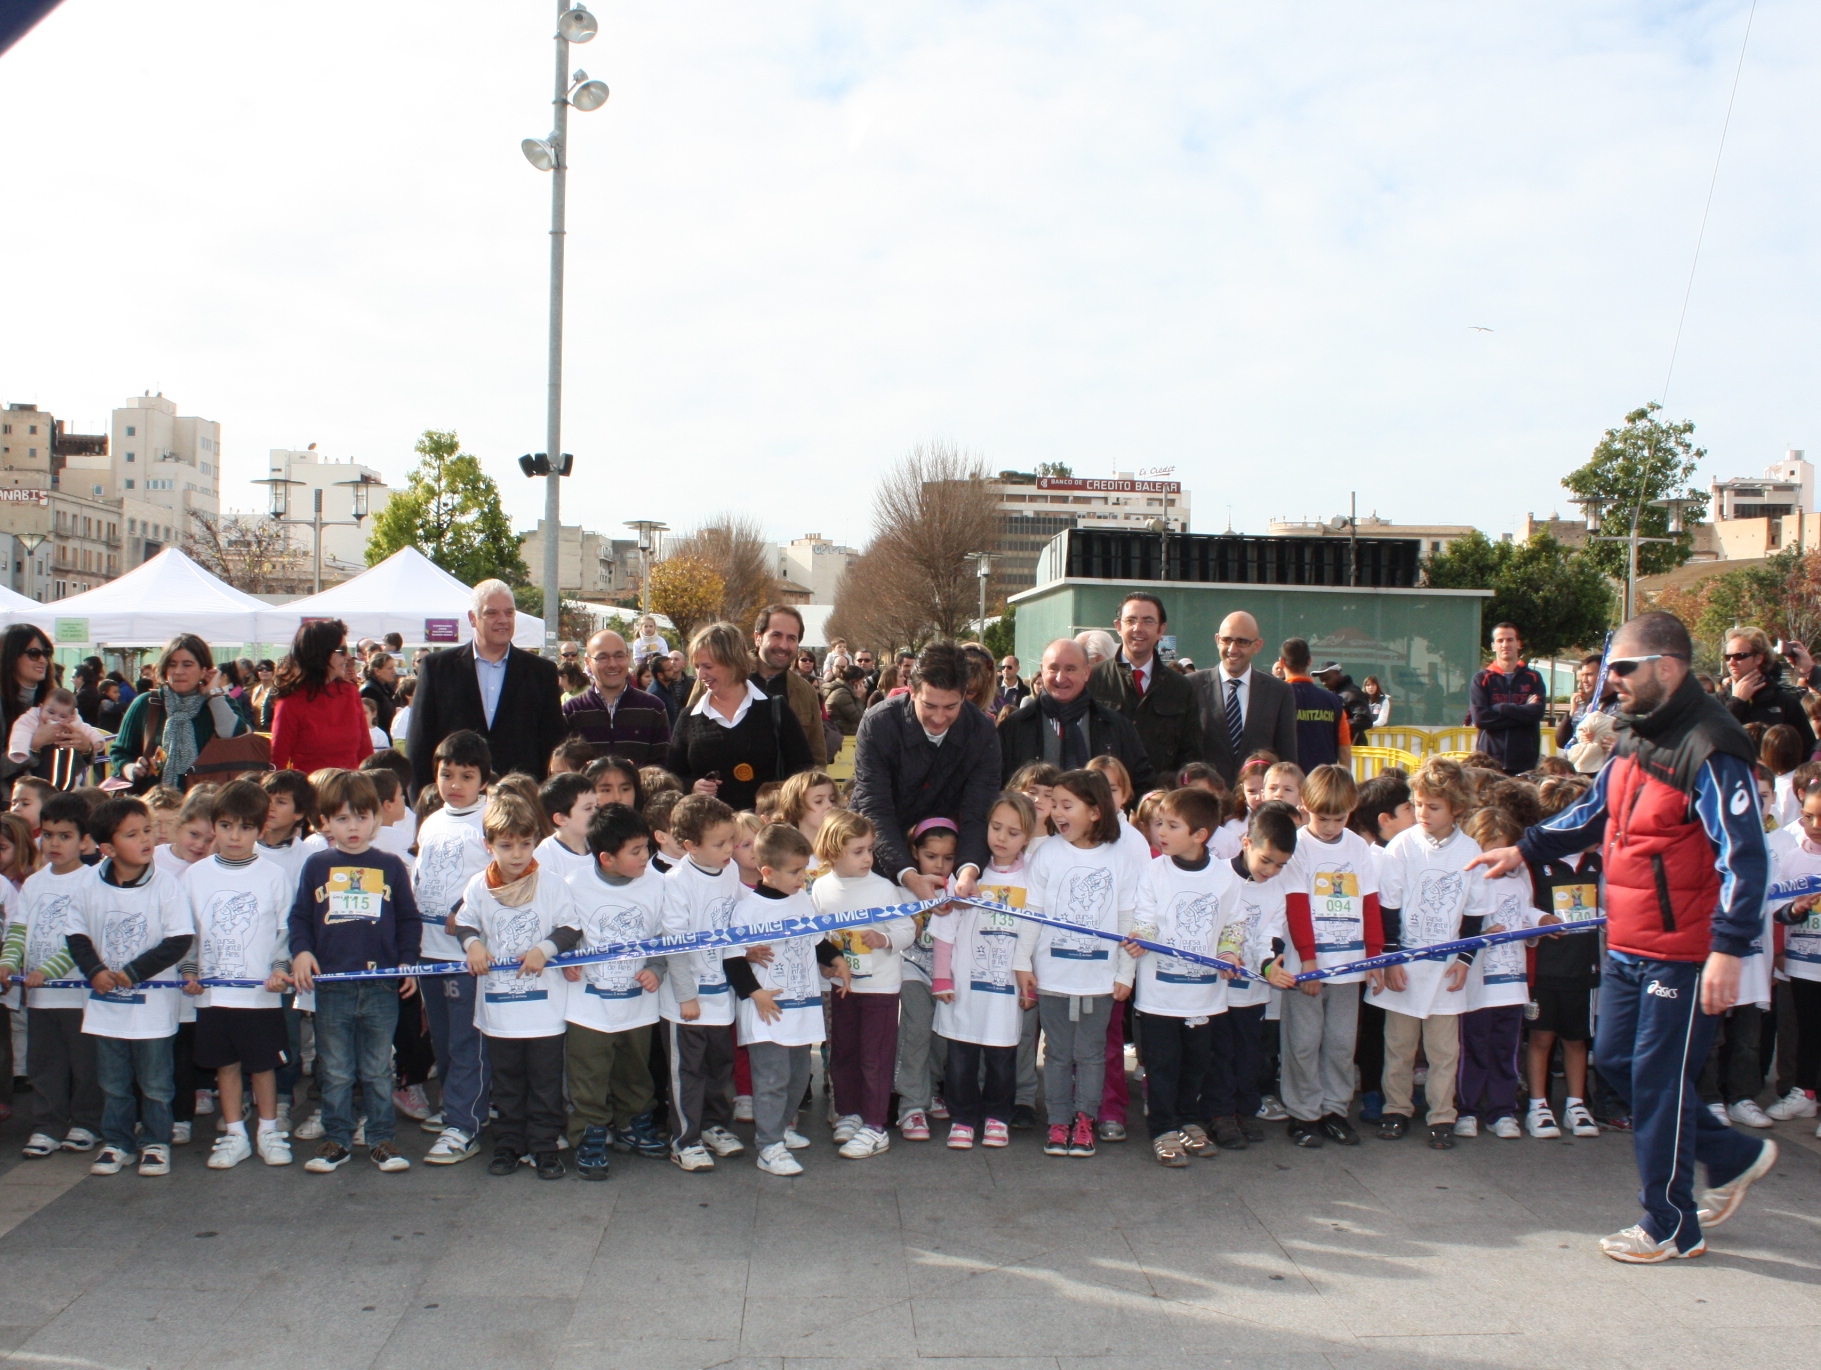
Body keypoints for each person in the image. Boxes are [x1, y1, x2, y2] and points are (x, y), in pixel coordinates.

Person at [1472, 611, 1776, 1263]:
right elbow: (1592, 810)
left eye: (1622, 669)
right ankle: (1731, 1155)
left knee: (1659, 1082)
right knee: (1615, 1062)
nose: (1610, 683)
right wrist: (1522, 851)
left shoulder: (1711, 747)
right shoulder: (1635, 735)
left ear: (1666, 667)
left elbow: (1744, 856)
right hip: (1629, 944)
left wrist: (1727, 947)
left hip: (1685, 951)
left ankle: (1669, 1223)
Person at [288, 770, 420, 1174]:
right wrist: (302, 952)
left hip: (381, 987)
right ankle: (337, 1138)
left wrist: (407, 962)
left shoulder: (392, 866)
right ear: (325, 821)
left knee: (379, 1068)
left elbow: (408, 920)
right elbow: (300, 918)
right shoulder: (316, 866)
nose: (353, 828)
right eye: (342, 819)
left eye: (361, 817)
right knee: (337, 1069)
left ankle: (382, 1139)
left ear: (376, 820)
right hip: (332, 990)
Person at [452, 791, 584, 1182]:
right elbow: (464, 922)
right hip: (499, 1012)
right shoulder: (479, 885)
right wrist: (472, 944)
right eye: (506, 846)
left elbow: (570, 928)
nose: (516, 854)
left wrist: (545, 949)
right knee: (507, 1083)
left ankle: (544, 1147)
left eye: (525, 844)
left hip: (544, 1013)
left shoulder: (552, 883)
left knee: (545, 1084)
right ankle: (508, 1144)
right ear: (487, 845)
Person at [1014, 768, 1144, 1160]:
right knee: (1055, 1052)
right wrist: (1023, 963)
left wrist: (1125, 973)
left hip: (1100, 979)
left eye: (1066, 805)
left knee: (1091, 1053)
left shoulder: (1120, 857)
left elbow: (1127, 921)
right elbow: (1032, 912)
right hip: (1053, 977)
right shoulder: (1047, 853)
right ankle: (1057, 1121)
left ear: (1095, 811)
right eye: (1053, 803)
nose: (1055, 812)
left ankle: (1084, 1120)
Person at [65, 796, 194, 1178]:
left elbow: (179, 938)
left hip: (152, 1009)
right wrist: (94, 970)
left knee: (156, 1082)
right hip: (106, 1006)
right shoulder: (89, 881)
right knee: (113, 1082)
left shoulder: (166, 884)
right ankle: (117, 1141)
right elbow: (76, 932)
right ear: (106, 848)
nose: (146, 840)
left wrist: (134, 972)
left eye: (148, 831)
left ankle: (156, 1141)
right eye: (132, 834)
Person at [1371, 757, 1489, 1150]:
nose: (1422, 813)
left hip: (1445, 969)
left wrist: (1465, 960)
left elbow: (1474, 912)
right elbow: (1389, 903)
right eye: (1418, 804)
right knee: (1399, 1046)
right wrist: (1390, 959)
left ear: (1456, 807)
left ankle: (1442, 1114)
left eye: (1433, 806)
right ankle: (1396, 1108)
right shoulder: (1402, 845)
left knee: (1443, 1050)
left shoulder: (1470, 849)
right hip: (1405, 965)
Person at [180, 780, 295, 1170]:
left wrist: (281, 970)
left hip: (259, 995)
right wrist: (190, 971)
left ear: (260, 829)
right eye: (227, 825)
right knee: (225, 1067)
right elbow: (188, 932)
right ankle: (234, 1134)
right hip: (213, 996)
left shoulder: (274, 875)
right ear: (214, 825)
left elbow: (284, 932)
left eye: (246, 827)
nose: (235, 835)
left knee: (262, 1066)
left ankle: (267, 1131)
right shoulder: (195, 876)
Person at [1127, 786, 1244, 1167]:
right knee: (1163, 1066)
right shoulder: (1153, 871)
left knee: (1196, 1064)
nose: (1161, 831)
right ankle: (1162, 1128)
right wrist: (1140, 938)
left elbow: (1234, 924)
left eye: (1172, 825)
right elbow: (1143, 917)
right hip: (1159, 996)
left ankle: (1188, 1121)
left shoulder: (1226, 877)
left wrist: (1229, 952)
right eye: (1159, 822)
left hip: (1206, 997)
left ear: (1200, 835)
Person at [563, 802, 670, 1180]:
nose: (646, 857)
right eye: (636, 851)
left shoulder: (656, 883)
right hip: (588, 1005)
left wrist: (656, 968)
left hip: (638, 1003)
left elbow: (663, 938)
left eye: (646, 848)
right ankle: (589, 1132)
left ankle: (633, 1122)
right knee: (588, 1071)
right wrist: (566, 957)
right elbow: (563, 929)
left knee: (635, 1068)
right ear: (606, 858)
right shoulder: (575, 885)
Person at [726, 823, 840, 1176]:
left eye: (804, 869)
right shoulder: (748, 909)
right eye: (794, 872)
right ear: (767, 872)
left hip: (802, 1009)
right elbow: (731, 957)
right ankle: (769, 1145)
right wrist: (755, 993)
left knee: (797, 1076)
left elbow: (817, 940)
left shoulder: (802, 899)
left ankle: (780, 1130)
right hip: (768, 1013)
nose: (801, 878)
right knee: (771, 1080)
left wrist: (836, 960)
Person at [850, 641, 1002, 900]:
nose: (940, 718)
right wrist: (907, 874)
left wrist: (968, 872)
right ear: (911, 690)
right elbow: (874, 808)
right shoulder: (878, 724)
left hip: (945, 859)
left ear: (965, 695)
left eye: (951, 707)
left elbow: (978, 812)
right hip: (876, 858)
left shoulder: (982, 732)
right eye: (929, 706)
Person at [1, 793, 102, 1158]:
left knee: (85, 1065)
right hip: (40, 998)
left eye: (65, 836)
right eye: (48, 835)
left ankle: (87, 1122)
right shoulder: (33, 884)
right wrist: (9, 964)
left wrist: (46, 970)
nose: (54, 844)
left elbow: (83, 940)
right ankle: (47, 1125)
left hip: (79, 997)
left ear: (85, 841)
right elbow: (18, 931)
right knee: (44, 1065)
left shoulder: (93, 881)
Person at [412, 729, 495, 1166]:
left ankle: (465, 1126)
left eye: (467, 775)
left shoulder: (490, 818)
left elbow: (506, 873)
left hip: (468, 954)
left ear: (484, 778)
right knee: (442, 1040)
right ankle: (458, 1105)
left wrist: (465, 911)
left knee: (468, 1041)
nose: (455, 784)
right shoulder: (430, 820)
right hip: (429, 951)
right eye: (447, 774)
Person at [812, 809, 914, 1156]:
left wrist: (883, 940)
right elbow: (816, 938)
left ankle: (875, 1126)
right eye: (858, 851)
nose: (868, 857)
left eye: (870, 849)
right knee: (843, 1053)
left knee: (875, 1057)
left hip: (880, 989)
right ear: (833, 851)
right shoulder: (821, 889)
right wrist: (826, 966)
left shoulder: (884, 889)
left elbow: (906, 930)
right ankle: (849, 1113)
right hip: (842, 989)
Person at [406, 579, 566, 798]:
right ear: (473, 618)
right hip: (455, 803)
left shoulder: (541, 672)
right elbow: (420, 741)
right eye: (492, 613)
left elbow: (552, 743)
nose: (503, 620)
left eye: (509, 613)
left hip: (521, 805)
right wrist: (422, 802)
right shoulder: (437, 668)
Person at [657, 794, 746, 1172]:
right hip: (687, 1000)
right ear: (690, 846)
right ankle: (684, 1139)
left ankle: (712, 1125)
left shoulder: (730, 870)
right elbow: (674, 943)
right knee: (687, 1071)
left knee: (718, 1064)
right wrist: (686, 996)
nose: (729, 850)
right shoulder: (676, 882)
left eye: (731, 841)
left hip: (721, 992)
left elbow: (738, 915)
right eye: (719, 843)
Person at [1521, 775, 1605, 1139]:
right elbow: (1519, 905)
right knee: (1541, 1038)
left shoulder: (1597, 862)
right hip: (1545, 969)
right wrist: (1540, 920)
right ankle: (1538, 1105)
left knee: (1577, 1040)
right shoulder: (1535, 862)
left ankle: (1576, 1104)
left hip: (1584, 969)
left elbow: (1611, 904)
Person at [1212, 801, 1299, 1149]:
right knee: (1219, 1055)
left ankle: (1244, 1110)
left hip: (1253, 993)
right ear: (1246, 842)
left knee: (1249, 1054)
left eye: (1281, 864)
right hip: (1215, 991)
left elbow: (1271, 936)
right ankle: (1219, 1115)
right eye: (1266, 860)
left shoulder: (1278, 890)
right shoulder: (1216, 874)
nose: (1272, 870)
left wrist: (1269, 966)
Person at [666, 621, 815, 814]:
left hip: (766, 832)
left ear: (733, 663)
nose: (701, 675)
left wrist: (778, 800)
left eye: (708, 666)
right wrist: (692, 787)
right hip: (709, 834)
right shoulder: (689, 717)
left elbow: (803, 768)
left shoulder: (773, 708)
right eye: (697, 667)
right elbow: (673, 776)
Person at [1453, 806, 1538, 1141]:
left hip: (1512, 984)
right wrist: (1486, 933)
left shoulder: (1521, 879)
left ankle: (1502, 1111)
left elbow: (1527, 913)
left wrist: (1539, 925)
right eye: (1486, 852)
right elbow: (1462, 925)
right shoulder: (1470, 879)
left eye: (1500, 851)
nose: (1494, 861)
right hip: (1478, 985)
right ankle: (1468, 1109)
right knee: (1473, 1047)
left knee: (1507, 1048)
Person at [999, 639, 1154, 795]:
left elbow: (1141, 782)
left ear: (1086, 673)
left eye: (1070, 669)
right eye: (1053, 668)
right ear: (1042, 670)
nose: (1060, 678)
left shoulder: (1116, 726)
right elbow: (999, 784)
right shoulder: (1014, 726)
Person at [686, 606, 829, 769]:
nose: (783, 645)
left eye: (791, 638)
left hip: (783, 792)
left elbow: (816, 756)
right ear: (757, 637)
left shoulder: (805, 691)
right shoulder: (716, 679)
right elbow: (689, 734)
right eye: (776, 635)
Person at [111, 635, 255, 791]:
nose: (178, 671)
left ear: (204, 670)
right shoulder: (146, 703)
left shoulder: (218, 702)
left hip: (207, 804)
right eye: (172, 665)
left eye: (187, 665)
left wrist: (213, 694)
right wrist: (132, 768)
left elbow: (234, 735)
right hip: (154, 805)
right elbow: (120, 752)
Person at [1089, 594, 1202, 791]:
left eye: (1148, 621)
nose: (1138, 628)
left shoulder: (1181, 688)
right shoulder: (1092, 679)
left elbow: (1190, 754)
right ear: (1118, 626)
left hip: (1160, 803)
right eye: (1131, 620)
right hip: (1102, 798)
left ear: (1161, 630)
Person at [1191, 612, 1299, 787]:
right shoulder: (1191, 687)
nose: (1232, 649)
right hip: (1205, 803)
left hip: (1258, 803)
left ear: (1257, 646)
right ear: (1217, 640)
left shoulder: (1279, 692)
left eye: (1242, 642)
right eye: (1226, 640)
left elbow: (1287, 758)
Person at [1, 624, 94, 799]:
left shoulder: (56, 701)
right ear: (11, 656)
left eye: (47, 653)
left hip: (56, 807)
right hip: (11, 814)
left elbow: (72, 763)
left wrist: (85, 748)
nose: (43, 660)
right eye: (34, 654)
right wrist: (33, 745)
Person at [270, 620, 373, 774]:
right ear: (320, 654)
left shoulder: (350, 692)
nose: (348, 656)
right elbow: (277, 762)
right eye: (342, 650)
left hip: (352, 791)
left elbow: (366, 753)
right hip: (312, 793)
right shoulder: (291, 702)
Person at [561, 630, 673, 765]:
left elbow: (662, 766)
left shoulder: (653, 708)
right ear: (588, 662)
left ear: (628, 657)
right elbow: (564, 769)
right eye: (602, 657)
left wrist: (633, 777)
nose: (612, 664)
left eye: (619, 656)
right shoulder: (571, 711)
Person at [1719, 626, 1817, 757]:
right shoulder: (1716, 701)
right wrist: (1736, 702)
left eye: (1740, 656)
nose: (1731, 662)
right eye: (1728, 657)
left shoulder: (1785, 701)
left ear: (1759, 658)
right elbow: (1713, 741)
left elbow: (1806, 751)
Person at [1469, 623, 1547, 775]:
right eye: (1500, 640)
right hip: (1489, 761)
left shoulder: (1533, 678)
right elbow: (1480, 719)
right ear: (1493, 646)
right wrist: (1523, 714)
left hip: (1525, 761)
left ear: (1518, 643)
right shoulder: (1482, 679)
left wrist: (1501, 708)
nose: (1505, 644)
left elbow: (1537, 713)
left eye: (1510, 639)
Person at [1278, 638, 1350, 771]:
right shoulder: (1334, 701)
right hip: (1323, 785)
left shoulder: (1275, 699)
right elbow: (1344, 749)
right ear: (1310, 661)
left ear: (1282, 662)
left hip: (1287, 785)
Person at [535, 772, 599, 883]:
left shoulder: (601, 844)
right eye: (588, 808)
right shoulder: (545, 856)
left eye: (596, 806)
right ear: (561, 819)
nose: (596, 812)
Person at [1314, 663, 1376, 745]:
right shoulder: (1337, 693)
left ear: (1337, 673)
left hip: (1353, 750)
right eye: (1322, 681)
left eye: (1327, 679)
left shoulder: (1352, 693)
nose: (1324, 683)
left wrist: (1336, 725)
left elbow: (1365, 720)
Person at [361, 652, 400, 736]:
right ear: (377, 671)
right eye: (390, 668)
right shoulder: (370, 690)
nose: (394, 671)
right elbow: (373, 720)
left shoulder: (385, 688)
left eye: (394, 668)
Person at [823, 665, 869, 737]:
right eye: (862, 682)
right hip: (841, 731)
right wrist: (858, 698)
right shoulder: (842, 693)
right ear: (854, 681)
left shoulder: (843, 690)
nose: (863, 685)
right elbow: (857, 717)